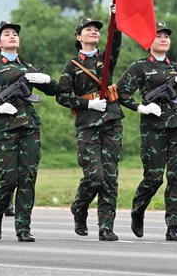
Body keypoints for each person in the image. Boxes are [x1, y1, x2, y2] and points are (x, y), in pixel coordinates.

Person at [116, 21, 177, 241]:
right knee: (154, 177)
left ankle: (172, 226)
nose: (164, 39)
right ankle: (138, 210)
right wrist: (140, 107)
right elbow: (121, 92)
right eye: (159, 36)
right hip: (153, 128)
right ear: (150, 41)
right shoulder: (139, 67)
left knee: (176, 175)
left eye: (166, 35)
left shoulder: (176, 67)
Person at [0, 21, 59, 242]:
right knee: (8, 178)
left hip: (29, 126)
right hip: (5, 128)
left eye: (15, 34)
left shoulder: (27, 67)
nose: (12, 36)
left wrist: (48, 80)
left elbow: (56, 90)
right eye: (7, 34)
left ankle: (23, 227)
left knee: (28, 177)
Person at [56, 16, 123, 241]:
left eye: (96, 29)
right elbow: (62, 96)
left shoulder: (105, 59)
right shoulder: (72, 66)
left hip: (111, 122)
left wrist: (117, 17)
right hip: (88, 125)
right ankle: (79, 207)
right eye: (88, 29)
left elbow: (115, 42)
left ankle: (106, 227)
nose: (93, 32)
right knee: (95, 176)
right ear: (78, 36)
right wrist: (87, 103)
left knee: (110, 178)